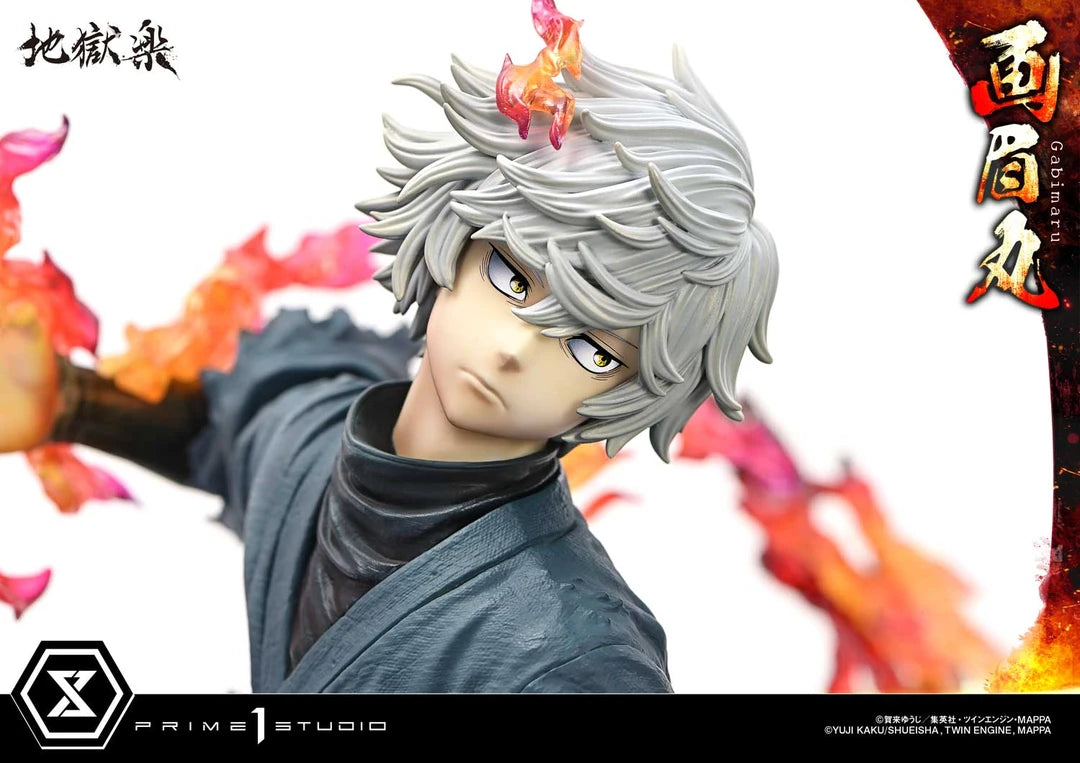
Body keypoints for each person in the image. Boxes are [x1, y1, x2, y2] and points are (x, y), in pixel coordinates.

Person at [0, 44, 778, 692]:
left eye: (592, 348)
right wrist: (71, 400)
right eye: (513, 276)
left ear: (630, 388)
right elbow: (224, 429)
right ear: (456, 231)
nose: (516, 347)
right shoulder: (307, 426)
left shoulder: (574, 657)